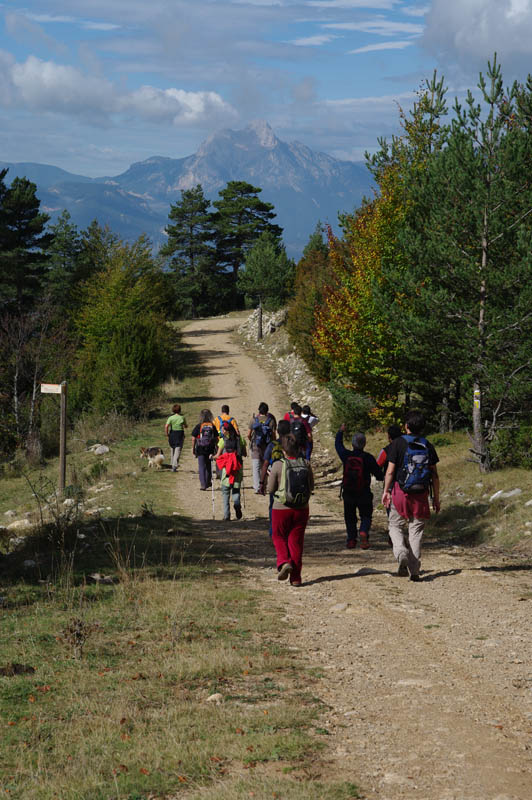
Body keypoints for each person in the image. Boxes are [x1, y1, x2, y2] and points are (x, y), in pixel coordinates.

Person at [381, 410, 441, 582]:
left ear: (406, 426)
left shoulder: (398, 443)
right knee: (416, 532)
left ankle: (401, 553)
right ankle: (414, 570)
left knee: (395, 525)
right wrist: (436, 498)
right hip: (421, 494)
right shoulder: (428, 445)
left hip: (400, 492)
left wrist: (386, 491)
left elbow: (390, 471)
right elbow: (435, 476)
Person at [267, 433, 314, 587]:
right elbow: (311, 487)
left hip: (281, 508)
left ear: (283, 450)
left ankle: (283, 561)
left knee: (278, 536)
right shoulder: (306, 464)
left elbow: (270, 488)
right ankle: (296, 578)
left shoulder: (278, 465)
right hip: (302, 509)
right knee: (296, 542)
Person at [335, 424, 383, 549]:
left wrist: (340, 432)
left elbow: (338, 446)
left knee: (349, 517)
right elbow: (379, 475)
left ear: (352, 444)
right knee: (366, 515)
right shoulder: (368, 458)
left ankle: (351, 540)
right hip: (364, 492)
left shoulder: (346, 456)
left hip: (349, 492)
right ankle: (363, 532)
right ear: (364, 444)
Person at [259, 419, 291, 536]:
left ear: (277, 431)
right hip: (291, 478)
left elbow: (265, 464)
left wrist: (262, 483)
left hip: (276, 479)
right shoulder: (293, 444)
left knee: (273, 505)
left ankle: (273, 532)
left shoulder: (272, 445)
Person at [212, 421, 244, 520]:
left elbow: (218, 456)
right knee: (236, 490)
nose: (221, 431)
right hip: (237, 469)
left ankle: (226, 515)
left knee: (225, 492)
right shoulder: (240, 439)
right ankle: (237, 506)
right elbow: (245, 453)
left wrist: (212, 457)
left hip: (227, 469)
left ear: (226, 431)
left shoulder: (222, 441)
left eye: (222, 429)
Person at [248, 402, 276, 493]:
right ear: (267, 411)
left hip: (256, 445)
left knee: (256, 466)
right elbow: (274, 435)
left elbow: (248, 434)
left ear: (259, 410)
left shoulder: (253, 420)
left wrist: (251, 441)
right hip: (267, 446)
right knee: (266, 465)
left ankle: (257, 487)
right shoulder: (271, 420)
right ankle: (266, 485)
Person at [191, 409, 218, 490]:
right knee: (209, 465)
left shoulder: (199, 426)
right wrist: (216, 447)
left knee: (201, 466)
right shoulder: (212, 426)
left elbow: (193, 438)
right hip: (210, 448)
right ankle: (207, 482)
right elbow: (216, 438)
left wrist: (193, 449)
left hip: (200, 448)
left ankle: (203, 484)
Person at [165, 403, 187, 472]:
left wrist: (167, 434)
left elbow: (166, 426)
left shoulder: (170, 418)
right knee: (178, 449)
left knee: (172, 448)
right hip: (179, 434)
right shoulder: (182, 417)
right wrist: (184, 426)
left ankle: (172, 464)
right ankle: (174, 466)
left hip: (172, 433)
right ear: (180, 410)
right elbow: (185, 425)